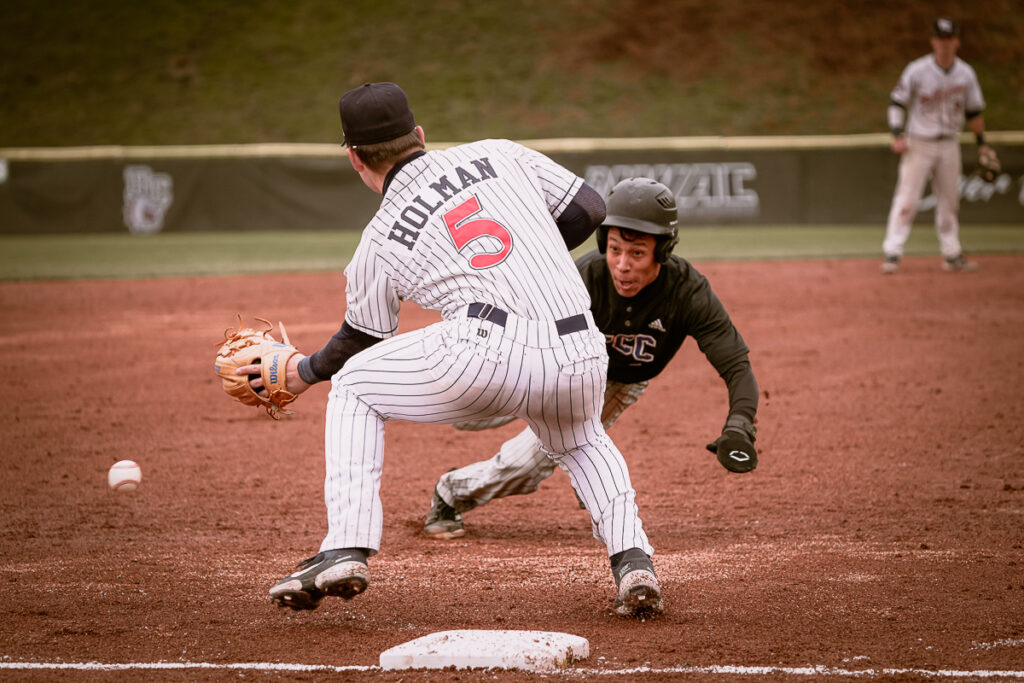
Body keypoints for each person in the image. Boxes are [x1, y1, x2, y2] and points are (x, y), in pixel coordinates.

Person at [256, 82, 661, 618]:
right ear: (420, 136)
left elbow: (364, 337)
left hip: (484, 353)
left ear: (355, 159)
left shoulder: (378, 239)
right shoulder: (498, 152)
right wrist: (529, 253)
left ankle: (346, 548)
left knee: (354, 385)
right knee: (583, 439)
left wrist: (302, 371)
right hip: (580, 348)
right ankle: (634, 561)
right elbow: (589, 206)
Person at [424, 178, 760, 543]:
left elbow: (736, 365)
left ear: (662, 252)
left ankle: (451, 492)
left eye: (637, 253)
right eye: (614, 249)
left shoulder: (688, 292)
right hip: (551, 361)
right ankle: (583, 467)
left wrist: (740, 424)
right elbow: (531, 332)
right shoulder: (584, 278)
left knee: (526, 465)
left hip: (614, 383)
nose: (622, 265)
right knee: (468, 412)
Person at [881, 17, 992, 274]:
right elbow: (896, 102)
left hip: (949, 143)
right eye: (940, 39)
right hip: (919, 141)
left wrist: (983, 145)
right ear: (933, 41)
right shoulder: (917, 70)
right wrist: (897, 133)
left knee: (950, 201)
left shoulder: (966, 74)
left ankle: (951, 252)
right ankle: (893, 251)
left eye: (949, 39)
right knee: (907, 200)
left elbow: (974, 112)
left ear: (957, 42)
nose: (944, 44)